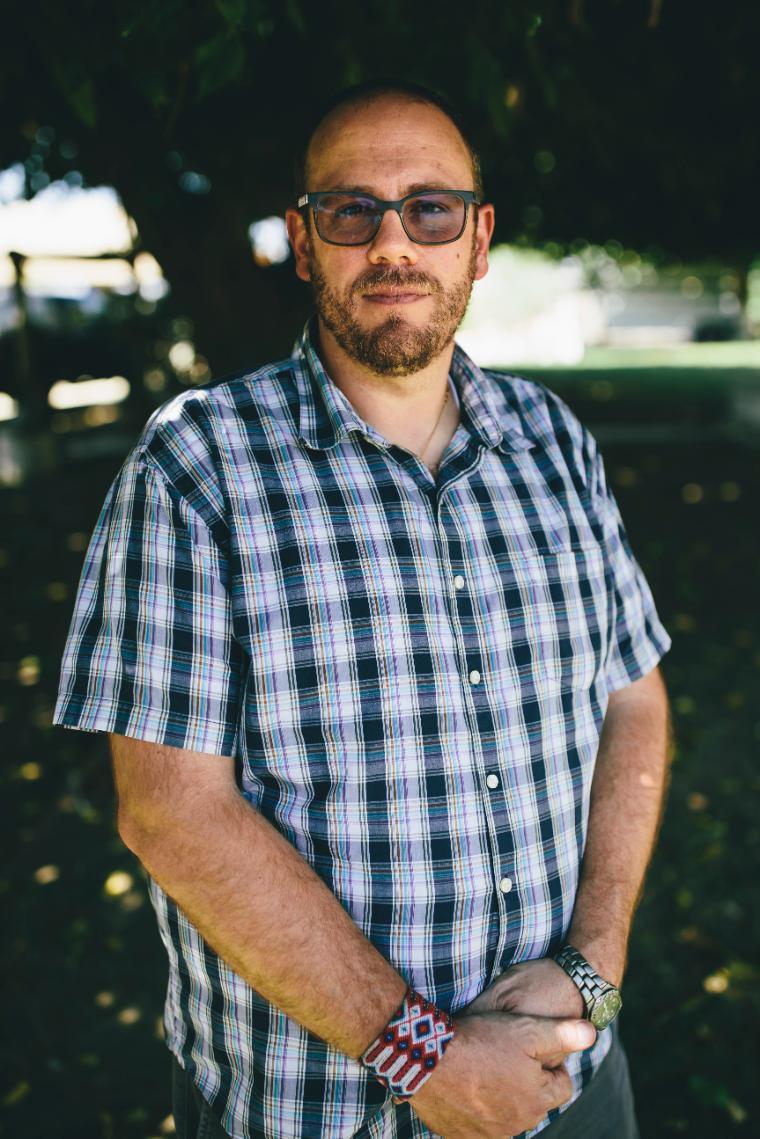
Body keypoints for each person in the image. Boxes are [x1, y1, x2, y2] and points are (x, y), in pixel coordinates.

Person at [54, 80, 672, 1139]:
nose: (394, 242)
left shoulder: (554, 441)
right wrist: (420, 1054)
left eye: (430, 209)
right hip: (317, 1109)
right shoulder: (196, 466)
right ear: (304, 243)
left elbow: (634, 702)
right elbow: (170, 809)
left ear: (478, 240)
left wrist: (596, 964)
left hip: (571, 1081)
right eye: (352, 210)